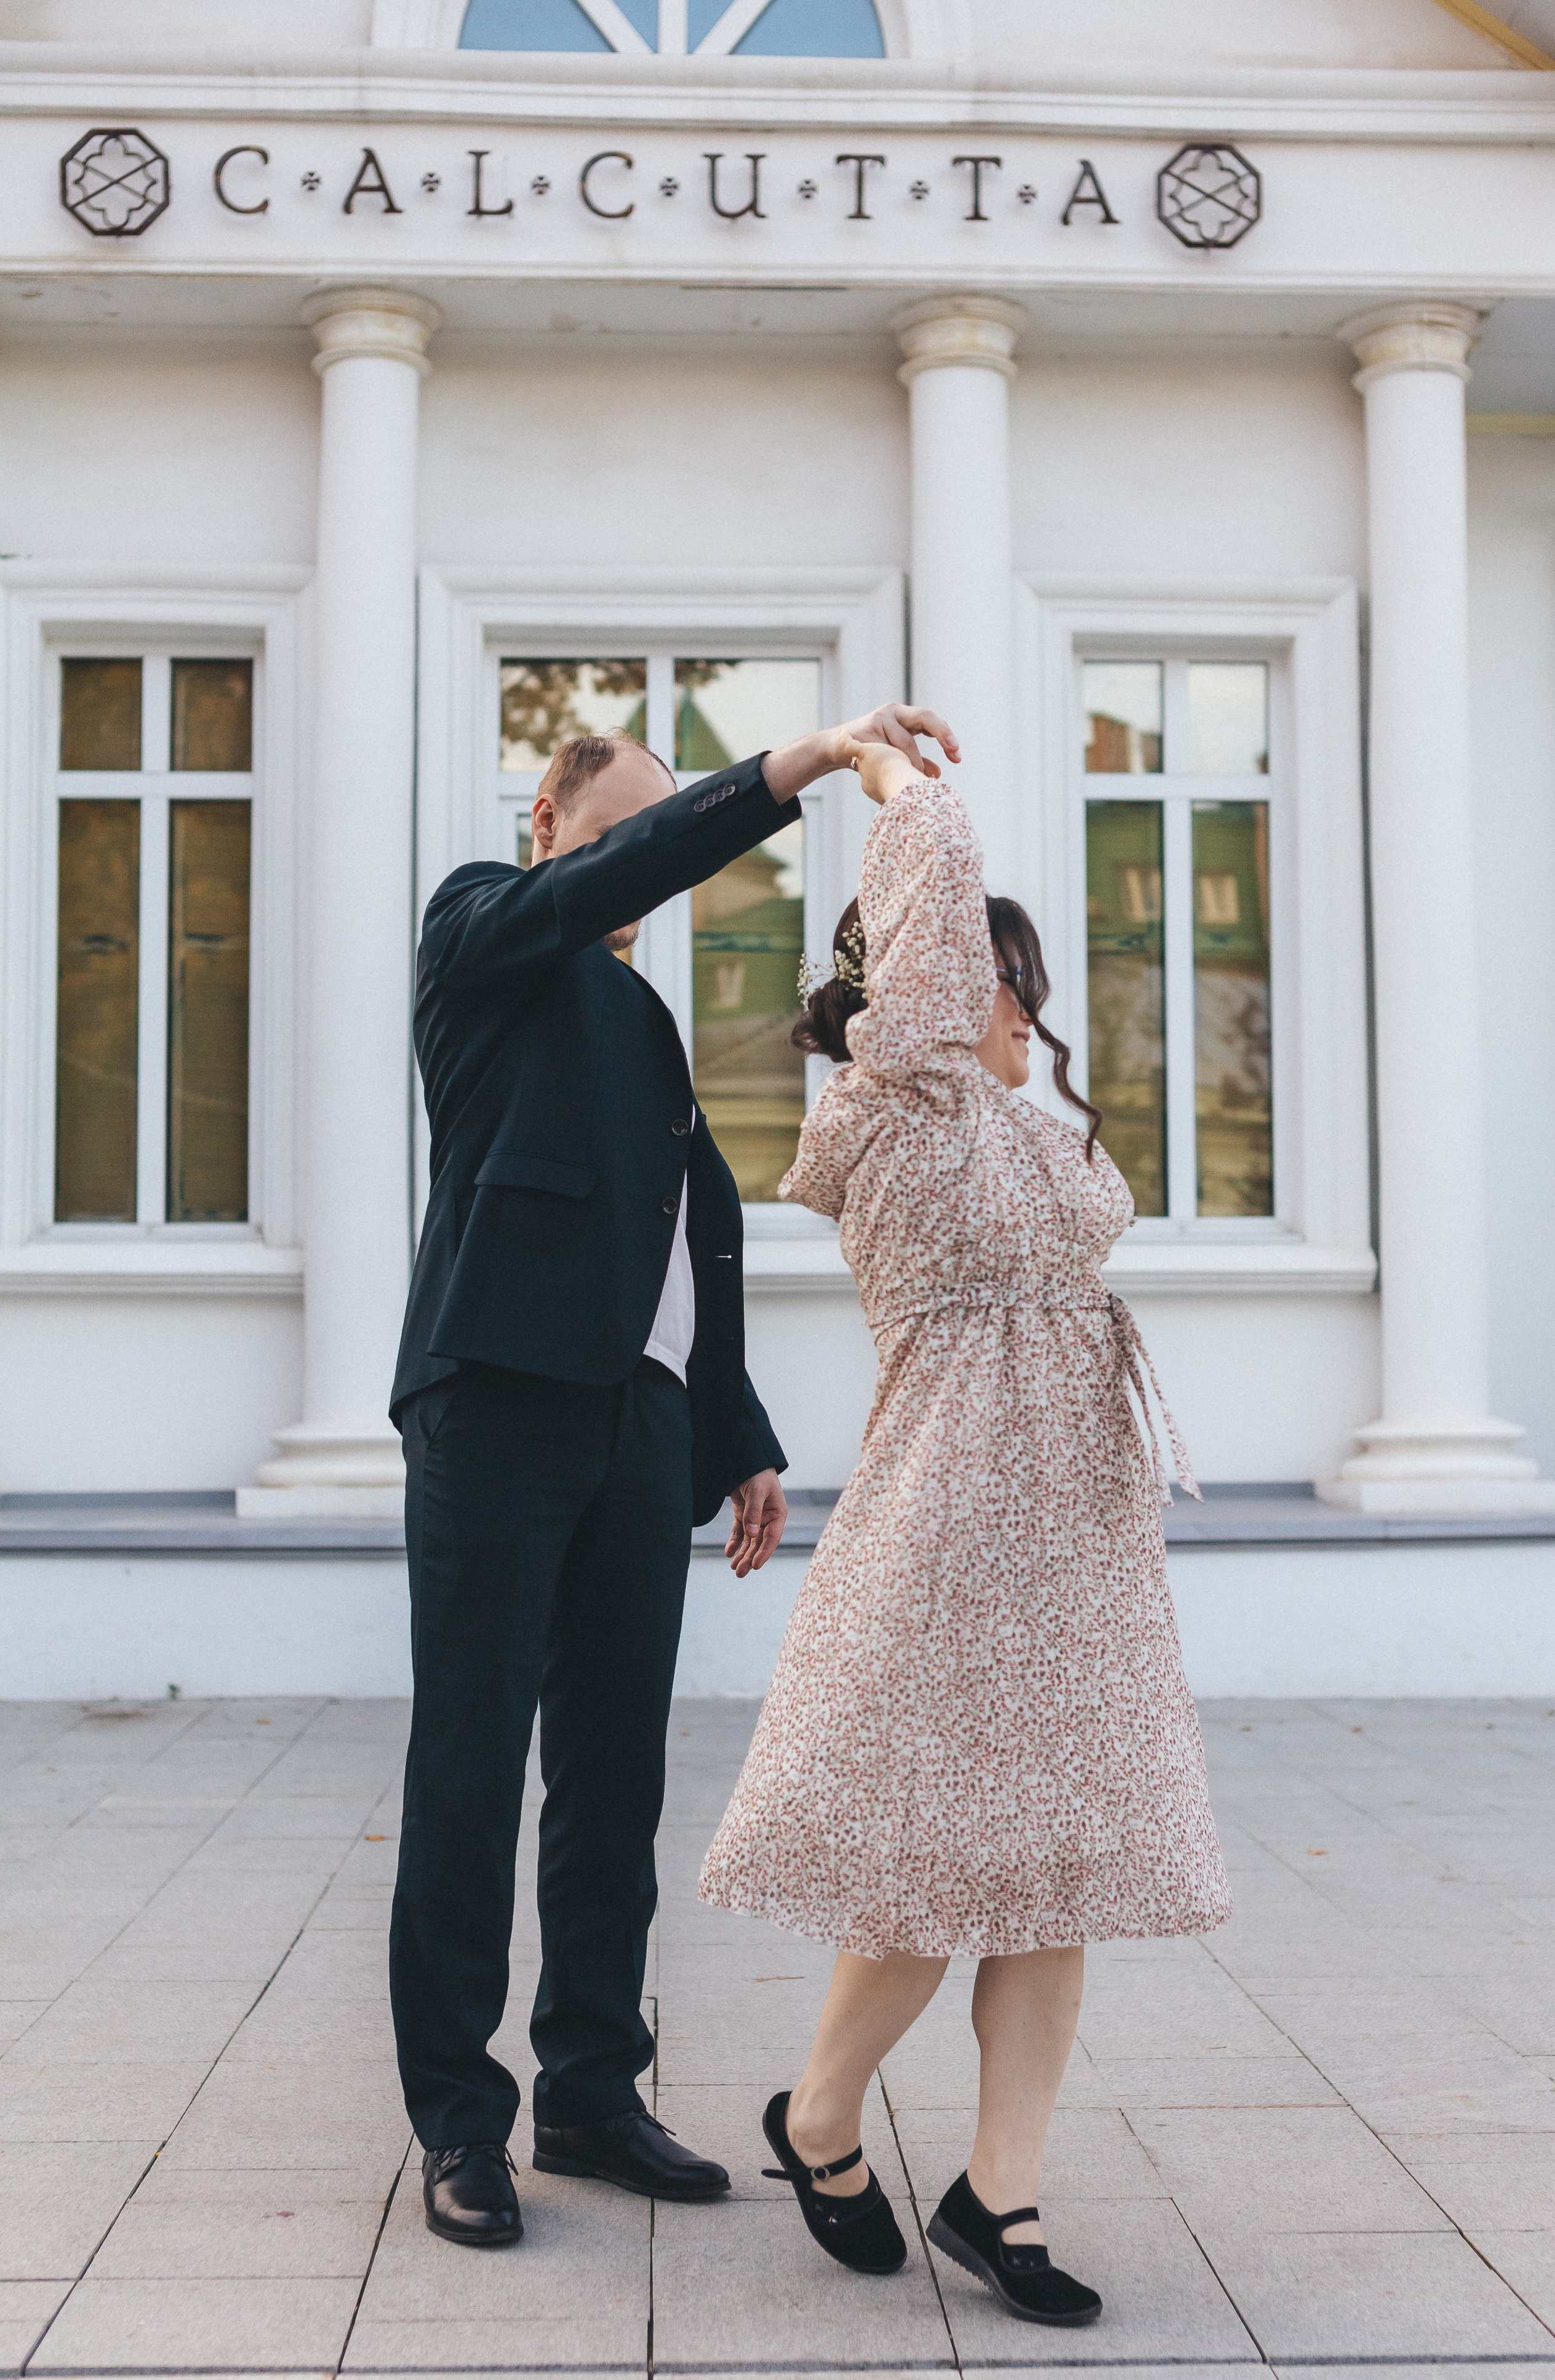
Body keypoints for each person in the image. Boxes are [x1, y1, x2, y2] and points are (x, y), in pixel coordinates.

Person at [388, 702, 961, 2251]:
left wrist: (737, 1437)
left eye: (658, 836)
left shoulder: (640, 1021)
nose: (640, 865)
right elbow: (604, 878)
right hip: (495, 1399)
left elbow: (684, 1233)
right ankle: (459, 2119)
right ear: (547, 825)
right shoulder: (480, 928)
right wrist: (800, 766)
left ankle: (588, 2087)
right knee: (466, 1764)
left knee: (612, 1775)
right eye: (618, 830)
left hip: (636, 1431)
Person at [700, 739, 1232, 2327]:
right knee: (933, 1873)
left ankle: (1001, 2197)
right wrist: (888, 780)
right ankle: (814, 2121)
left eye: (1023, 988)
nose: (1022, 1011)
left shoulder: (1021, 1124)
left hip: (1071, 1538)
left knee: (1054, 1873)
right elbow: (920, 966)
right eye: (1002, 982)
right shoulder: (892, 1106)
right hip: (949, 1530)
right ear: (937, 988)